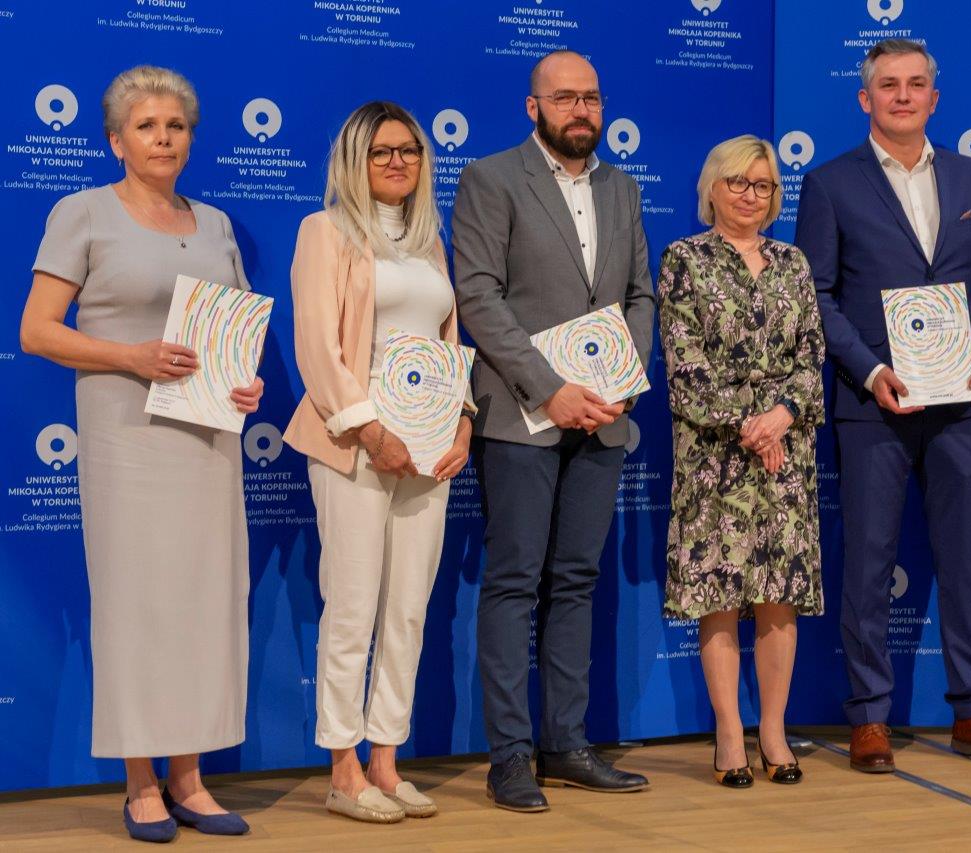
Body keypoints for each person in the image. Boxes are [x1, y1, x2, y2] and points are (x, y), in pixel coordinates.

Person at [18, 65, 260, 842]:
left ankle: (189, 776)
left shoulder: (215, 223)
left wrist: (244, 381)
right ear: (116, 141)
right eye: (147, 126)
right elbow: (36, 330)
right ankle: (140, 780)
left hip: (208, 439)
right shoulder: (82, 211)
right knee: (137, 605)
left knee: (203, 602)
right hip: (127, 439)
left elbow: (233, 327)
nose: (164, 138)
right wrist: (131, 357)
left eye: (176, 126)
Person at [794, 39, 971, 772]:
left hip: (961, 403)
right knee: (868, 561)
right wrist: (869, 372)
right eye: (889, 85)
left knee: (966, 561)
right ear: (865, 99)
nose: (903, 95)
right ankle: (869, 716)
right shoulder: (829, 183)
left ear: (935, 97)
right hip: (874, 405)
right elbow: (816, 295)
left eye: (916, 84)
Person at [452, 49, 655, 812]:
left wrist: (624, 378)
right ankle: (510, 756)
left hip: (603, 419)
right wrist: (551, 388)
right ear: (532, 107)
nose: (581, 110)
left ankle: (566, 742)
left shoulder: (622, 187)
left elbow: (640, 294)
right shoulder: (491, 178)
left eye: (591, 98)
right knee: (514, 582)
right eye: (565, 98)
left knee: (575, 580)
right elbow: (479, 296)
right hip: (521, 417)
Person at [284, 101, 473, 822]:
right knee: (353, 603)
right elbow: (317, 346)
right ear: (354, 161)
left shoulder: (429, 241)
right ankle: (343, 768)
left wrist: (462, 418)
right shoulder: (325, 231)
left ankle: (387, 761)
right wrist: (369, 430)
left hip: (429, 448)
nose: (398, 162)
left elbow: (447, 341)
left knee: (408, 609)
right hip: (354, 444)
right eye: (382, 151)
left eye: (410, 150)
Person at [657, 135, 824, 788]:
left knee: (779, 596)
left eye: (763, 185)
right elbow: (685, 367)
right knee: (720, 594)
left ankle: (773, 731)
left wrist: (781, 415)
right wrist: (751, 425)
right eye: (739, 183)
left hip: (787, 451)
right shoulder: (684, 259)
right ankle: (729, 733)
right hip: (714, 456)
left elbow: (811, 358)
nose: (751, 196)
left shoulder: (793, 262)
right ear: (712, 187)